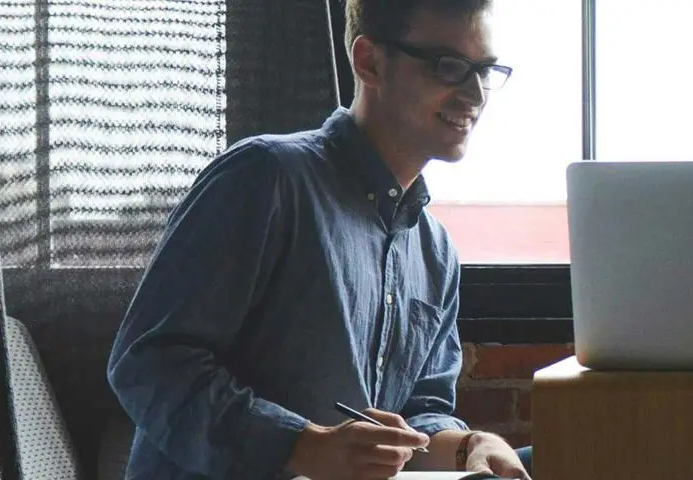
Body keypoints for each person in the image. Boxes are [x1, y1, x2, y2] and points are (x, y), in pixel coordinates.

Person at [106, 0, 533, 478]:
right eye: (450, 67)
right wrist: (303, 446)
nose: (475, 94)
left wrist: (470, 444)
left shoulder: (434, 251)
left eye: (485, 70)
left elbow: (419, 418)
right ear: (369, 61)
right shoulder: (266, 177)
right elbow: (147, 363)